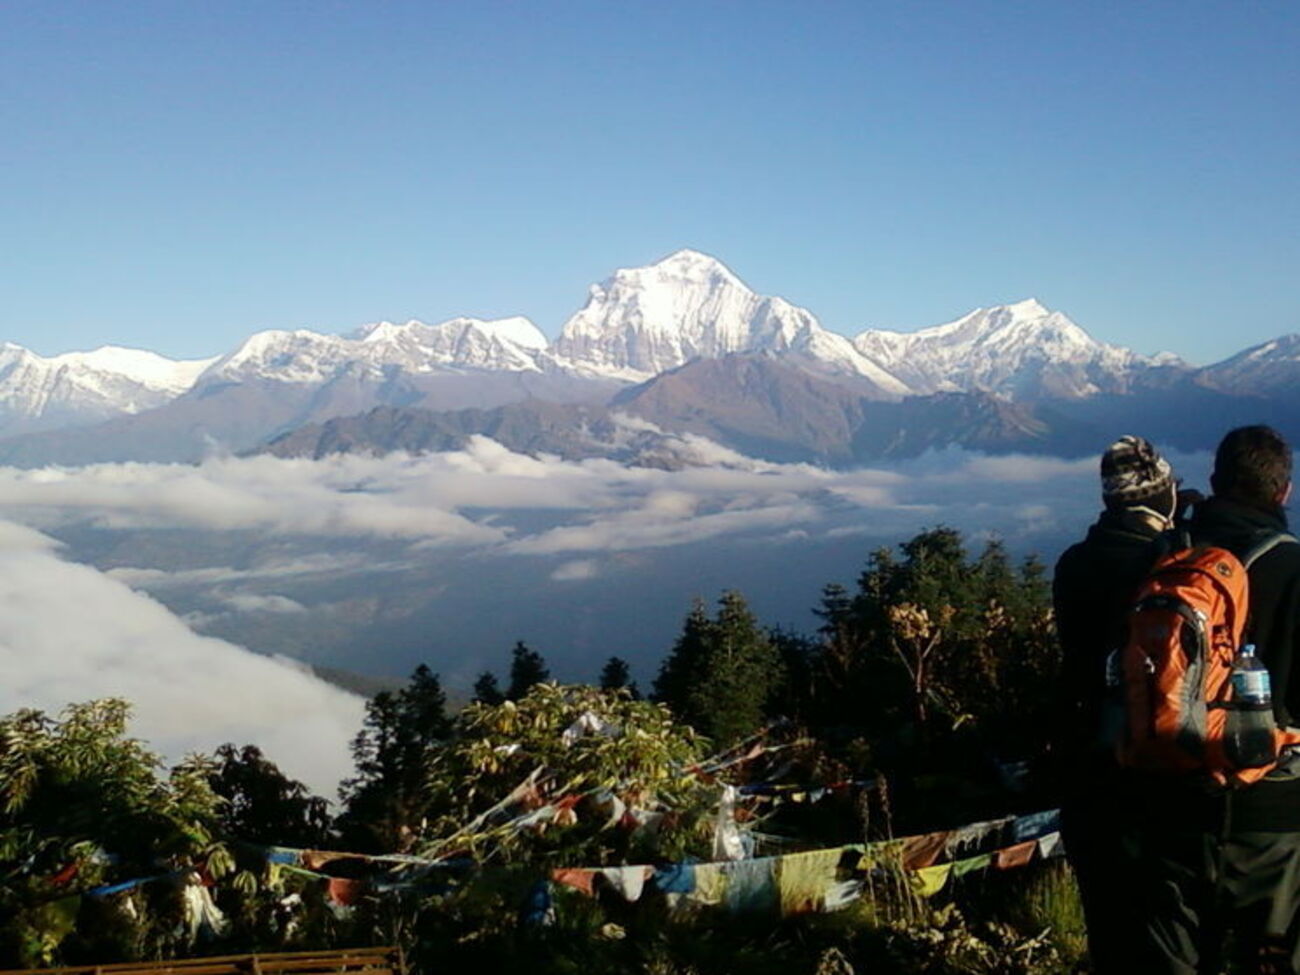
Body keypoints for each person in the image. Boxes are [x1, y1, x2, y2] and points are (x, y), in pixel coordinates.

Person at [1130, 425, 1300, 974]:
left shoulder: (1164, 560)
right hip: (1269, 812)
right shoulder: (1293, 568)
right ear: (1284, 492)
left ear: (1214, 481)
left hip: (1167, 795)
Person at [1053, 434, 1187, 972]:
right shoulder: (1169, 563)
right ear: (1160, 497)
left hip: (1084, 761)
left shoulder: (1073, 563)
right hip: (1154, 761)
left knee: (1106, 925)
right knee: (1165, 931)